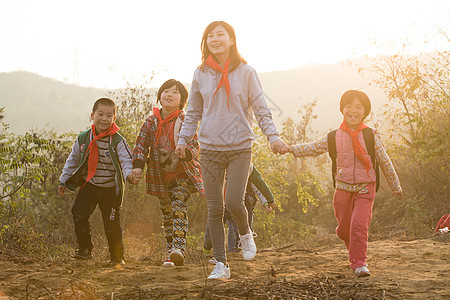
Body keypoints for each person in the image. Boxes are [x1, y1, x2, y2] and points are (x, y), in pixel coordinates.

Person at [175, 21, 289, 279]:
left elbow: (261, 109)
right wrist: (182, 140)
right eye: (210, 35)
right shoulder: (200, 73)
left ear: (231, 40)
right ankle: (221, 265)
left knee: (234, 201)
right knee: (214, 209)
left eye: (220, 34)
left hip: (240, 148)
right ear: (206, 42)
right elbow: (192, 112)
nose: (215, 39)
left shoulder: (246, 72)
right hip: (210, 149)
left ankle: (246, 233)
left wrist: (273, 137)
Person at [286, 90, 403, 278]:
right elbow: (313, 147)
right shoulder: (334, 136)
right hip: (342, 188)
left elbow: (384, 161)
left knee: (358, 225)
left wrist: (395, 185)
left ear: (364, 112)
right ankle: (348, 241)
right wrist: (291, 149)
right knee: (344, 229)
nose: (353, 110)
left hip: (366, 187)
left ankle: (359, 263)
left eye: (358, 107)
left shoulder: (372, 135)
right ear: (342, 110)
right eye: (349, 106)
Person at [130, 79, 205, 267]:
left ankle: (178, 248)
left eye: (175, 92)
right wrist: (138, 166)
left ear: (182, 101)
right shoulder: (151, 122)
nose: (169, 94)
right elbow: (140, 144)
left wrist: (187, 153)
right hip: (160, 177)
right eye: (166, 91)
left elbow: (196, 144)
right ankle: (171, 254)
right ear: (160, 96)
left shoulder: (185, 120)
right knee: (167, 213)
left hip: (183, 174)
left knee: (179, 204)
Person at [58, 97, 134, 267]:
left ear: (114, 118)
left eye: (109, 115)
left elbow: (126, 161)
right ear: (92, 115)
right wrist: (63, 180)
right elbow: (73, 160)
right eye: (100, 114)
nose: (104, 119)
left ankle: (116, 257)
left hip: (109, 189)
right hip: (90, 185)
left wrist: (130, 175)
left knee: (112, 224)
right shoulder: (84, 138)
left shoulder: (118, 141)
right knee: (79, 214)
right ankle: (84, 249)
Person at [203, 165, 276, 254]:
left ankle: (237, 251)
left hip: (241, 204)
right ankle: (206, 250)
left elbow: (258, 187)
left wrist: (266, 202)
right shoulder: (219, 165)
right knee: (212, 229)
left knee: (236, 229)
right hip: (221, 204)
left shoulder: (245, 167)